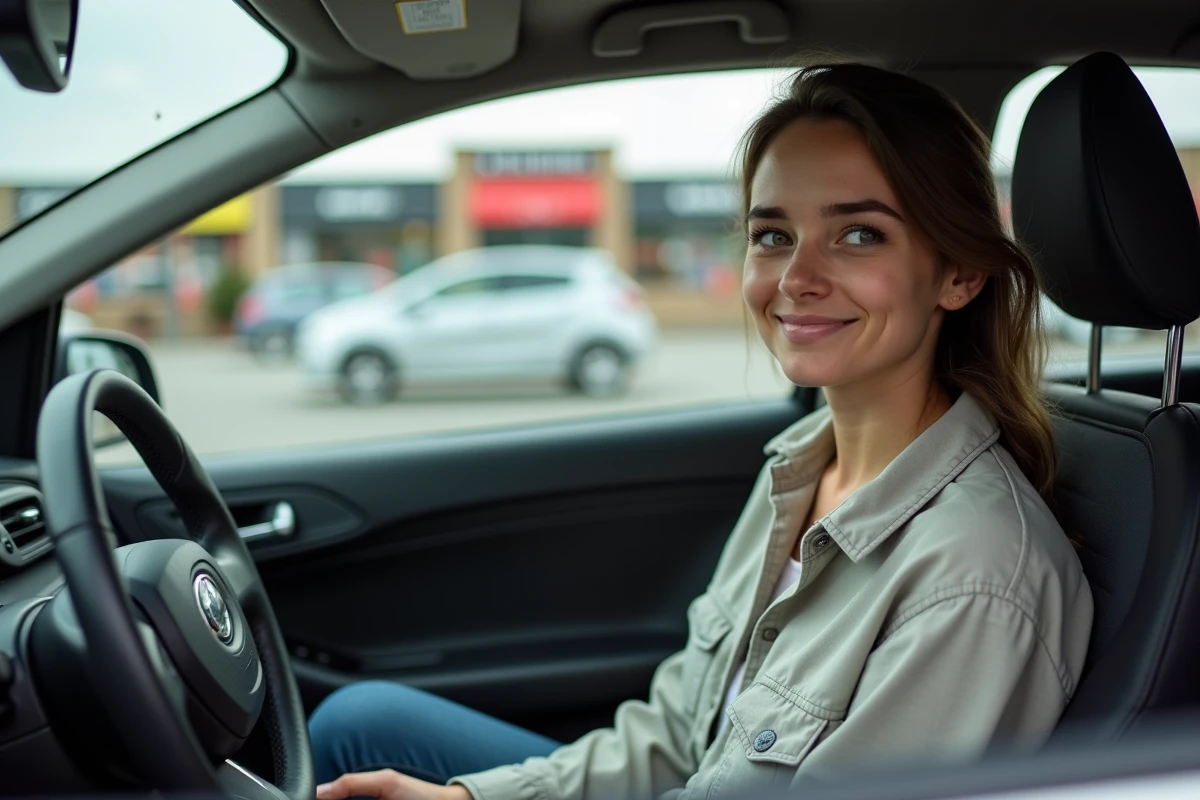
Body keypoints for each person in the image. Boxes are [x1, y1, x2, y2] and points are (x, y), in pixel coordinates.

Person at [307, 62, 1093, 800]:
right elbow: (679, 736)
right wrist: (470, 797)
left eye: (858, 235)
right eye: (773, 235)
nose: (795, 279)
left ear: (958, 273)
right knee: (361, 724)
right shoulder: (799, 472)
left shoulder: (975, 578)